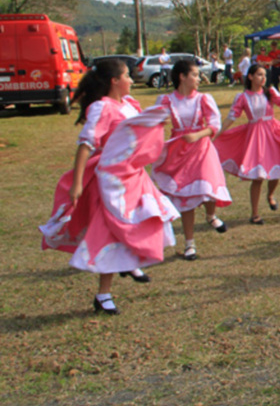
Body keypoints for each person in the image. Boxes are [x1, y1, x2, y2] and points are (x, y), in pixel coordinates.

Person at [40, 59, 179, 315]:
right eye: (127, 75)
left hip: (133, 175)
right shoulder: (102, 108)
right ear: (114, 81)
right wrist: (78, 182)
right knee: (109, 231)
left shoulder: (129, 105)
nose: (131, 79)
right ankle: (104, 294)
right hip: (110, 180)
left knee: (142, 219)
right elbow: (86, 144)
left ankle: (129, 262)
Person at [152, 58, 232, 262]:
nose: (199, 78)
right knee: (186, 197)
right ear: (182, 77)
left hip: (202, 149)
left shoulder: (203, 98)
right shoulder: (165, 100)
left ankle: (211, 216)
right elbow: (153, 123)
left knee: (208, 187)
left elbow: (214, 124)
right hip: (179, 153)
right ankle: (190, 244)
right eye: (195, 75)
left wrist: (198, 135)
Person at [215, 64, 280, 225]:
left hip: (272, 132)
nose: (263, 77)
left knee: (278, 168)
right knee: (258, 177)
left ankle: (270, 195)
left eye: (264, 75)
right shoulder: (243, 97)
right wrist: (217, 134)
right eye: (259, 74)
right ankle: (254, 214)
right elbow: (231, 117)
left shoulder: (270, 92)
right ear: (250, 77)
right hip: (255, 137)